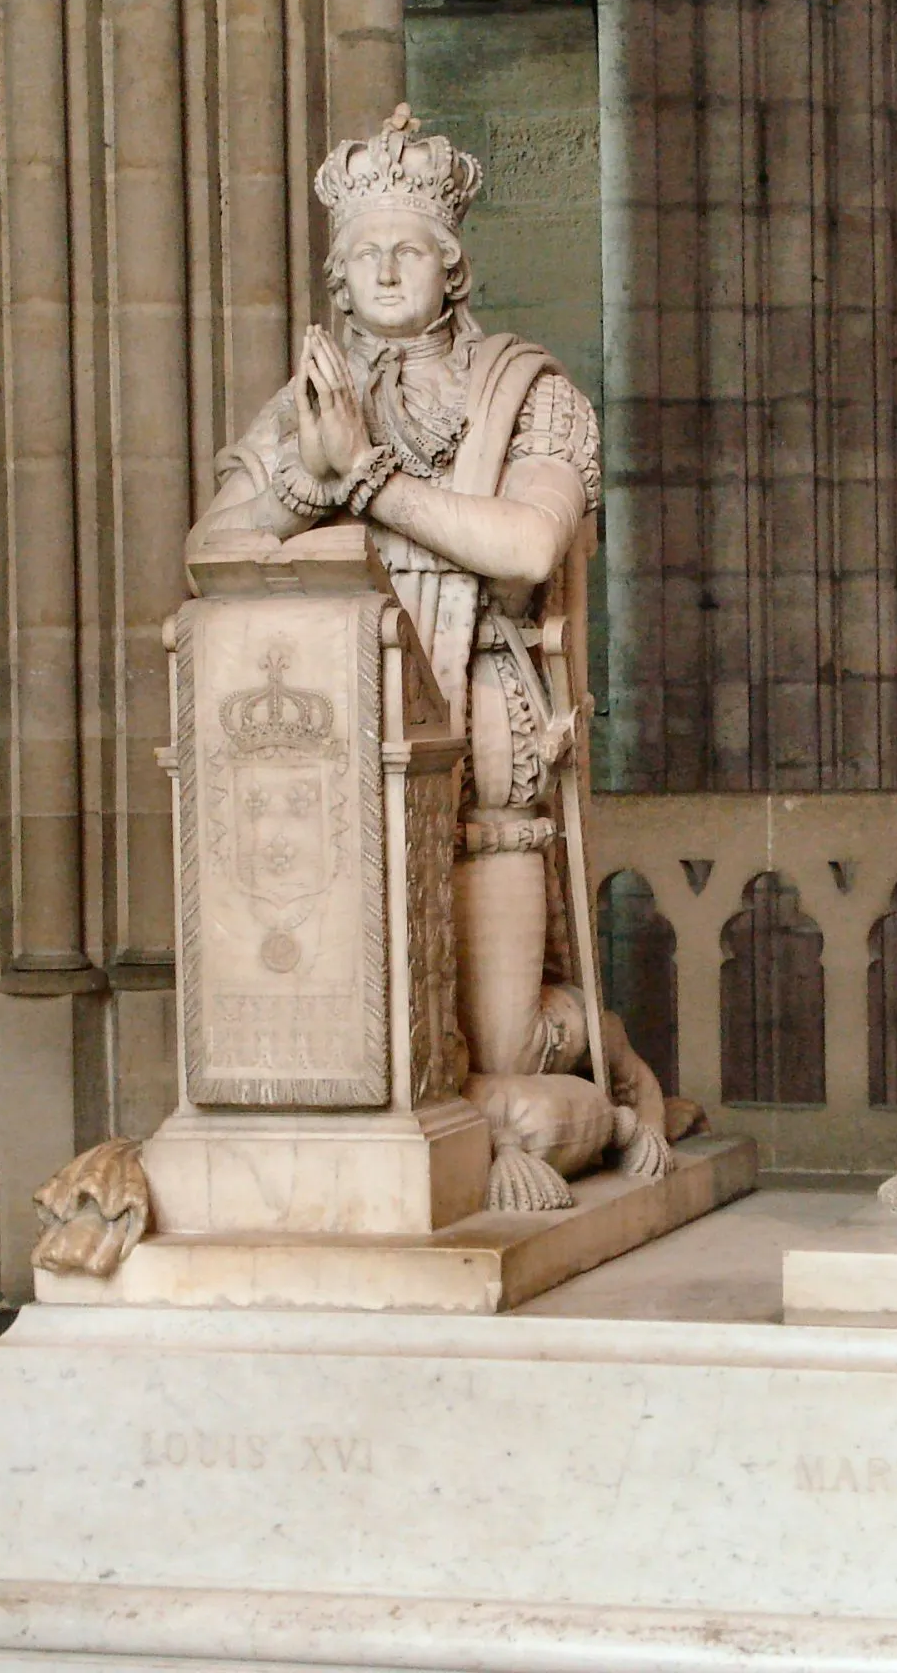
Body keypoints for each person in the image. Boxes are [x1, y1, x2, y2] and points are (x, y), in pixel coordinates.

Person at [185, 106, 668, 1207]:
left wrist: (365, 487)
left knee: (492, 1040)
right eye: (364, 253)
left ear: (452, 269)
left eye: (409, 247)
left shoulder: (526, 390)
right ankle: (484, 1119)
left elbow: (526, 543)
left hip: (487, 731)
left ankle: (611, 1071)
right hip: (340, 726)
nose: (387, 265)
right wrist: (311, 481)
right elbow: (212, 550)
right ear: (338, 283)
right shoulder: (308, 407)